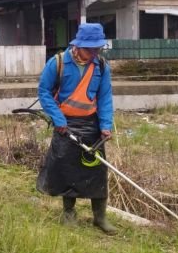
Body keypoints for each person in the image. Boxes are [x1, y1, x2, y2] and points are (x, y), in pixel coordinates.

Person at [36, 22, 117, 233]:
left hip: (91, 125)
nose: (93, 53)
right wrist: (58, 119)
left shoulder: (101, 66)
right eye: (90, 49)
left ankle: (100, 217)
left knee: (98, 170)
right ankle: (68, 213)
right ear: (78, 45)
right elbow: (44, 91)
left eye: (97, 49)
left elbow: (105, 97)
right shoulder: (58, 63)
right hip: (66, 124)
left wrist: (106, 125)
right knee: (67, 169)